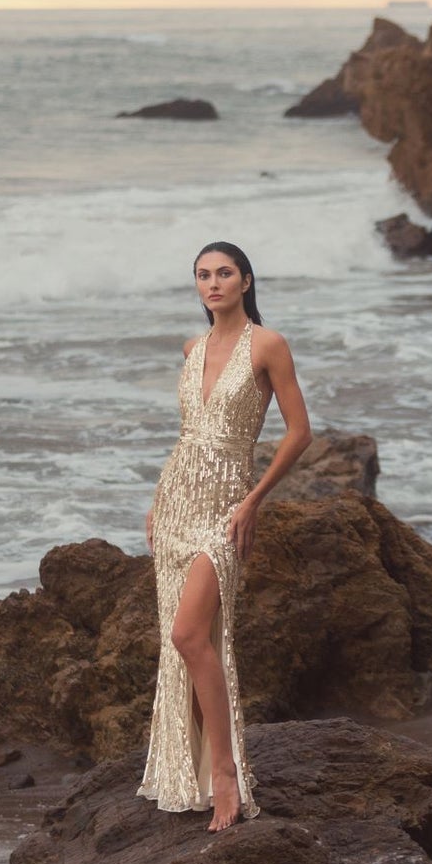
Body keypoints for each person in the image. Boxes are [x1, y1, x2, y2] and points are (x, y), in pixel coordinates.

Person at [139, 241, 312, 831]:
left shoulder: (267, 345)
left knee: (191, 635)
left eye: (224, 274)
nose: (212, 283)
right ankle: (196, 772)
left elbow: (299, 433)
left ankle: (225, 773)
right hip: (178, 499)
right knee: (182, 641)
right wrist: (157, 503)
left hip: (226, 506)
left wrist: (253, 500)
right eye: (203, 275)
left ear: (245, 281)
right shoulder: (192, 349)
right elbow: (187, 437)